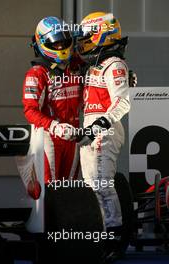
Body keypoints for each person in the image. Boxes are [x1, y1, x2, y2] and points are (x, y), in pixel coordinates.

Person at [76, 11, 132, 260]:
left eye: (88, 36)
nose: (84, 41)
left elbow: (123, 102)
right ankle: (101, 234)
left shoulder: (114, 65)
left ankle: (114, 238)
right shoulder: (95, 64)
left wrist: (100, 124)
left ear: (103, 34)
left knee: (102, 184)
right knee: (92, 186)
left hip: (104, 131)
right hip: (92, 131)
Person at [22, 16, 82, 184]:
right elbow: (30, 111)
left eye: (63, 42)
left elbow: (100, 76)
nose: (61, 47)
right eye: (55, 43)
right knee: (49, 188)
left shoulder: (78, 66)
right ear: (43, 43)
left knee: (70, 188)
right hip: (48, 136)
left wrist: (123, 79)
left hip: (73, 135)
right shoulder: (37, 73)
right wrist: (54, 126)